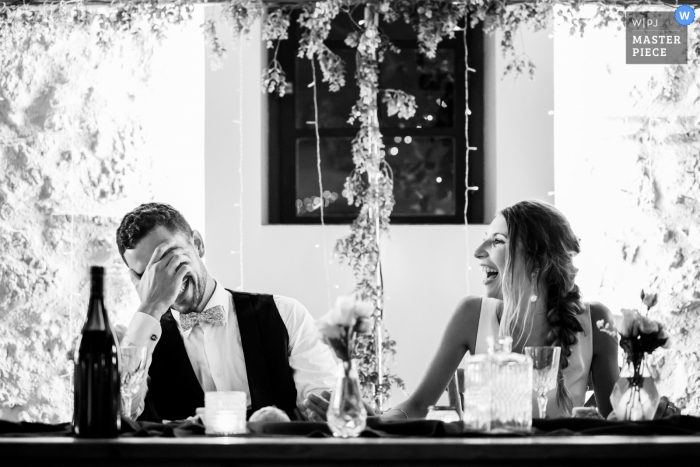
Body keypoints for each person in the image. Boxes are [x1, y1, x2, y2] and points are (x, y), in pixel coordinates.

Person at [375, 200, 620, 420]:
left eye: (497, 241)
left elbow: (616, 420)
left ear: (536, 261)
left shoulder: (596, 321)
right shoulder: (471, 314)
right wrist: (375, 420)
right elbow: (418, 405)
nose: (478, 251)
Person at [117, 202, 338, 422]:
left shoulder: (286, 314)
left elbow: (323, 412)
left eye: (169, 259)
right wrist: (151, 306)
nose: (166, 278)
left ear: (197, 244)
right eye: (150, 274)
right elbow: (122, 412)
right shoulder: (138, 344)